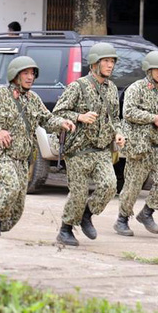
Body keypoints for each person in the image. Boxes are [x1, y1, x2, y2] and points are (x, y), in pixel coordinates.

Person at [0, 56, 75, 235]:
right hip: (0, 153)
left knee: (18, 208)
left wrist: (62, 122)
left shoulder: (33, 98)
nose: (30, 77)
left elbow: (47, 119)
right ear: (15, 75)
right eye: (25, 73)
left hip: (21, 158)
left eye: (32, 74)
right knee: (11, 187)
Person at [52, 42, 126, 246]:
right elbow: (58, 113)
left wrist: (119, 133)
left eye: (112, 61)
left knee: (110, 186)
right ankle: (66, 229)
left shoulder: (111, 89)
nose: (110, 65)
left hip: (101, 149)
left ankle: (86, 214)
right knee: (79, 192)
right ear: (94, 64)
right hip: (78, 150)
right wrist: (80, 117)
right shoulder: (78, 86)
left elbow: (115, 118)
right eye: (106, 61)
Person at [114, 51, 158, 236]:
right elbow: (128, 112)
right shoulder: (137, 88)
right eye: (156, 69)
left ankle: (147, 212)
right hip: (141, 146)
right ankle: (122, 220)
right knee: (133, 185)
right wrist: (153, 118)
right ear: (148, 70)